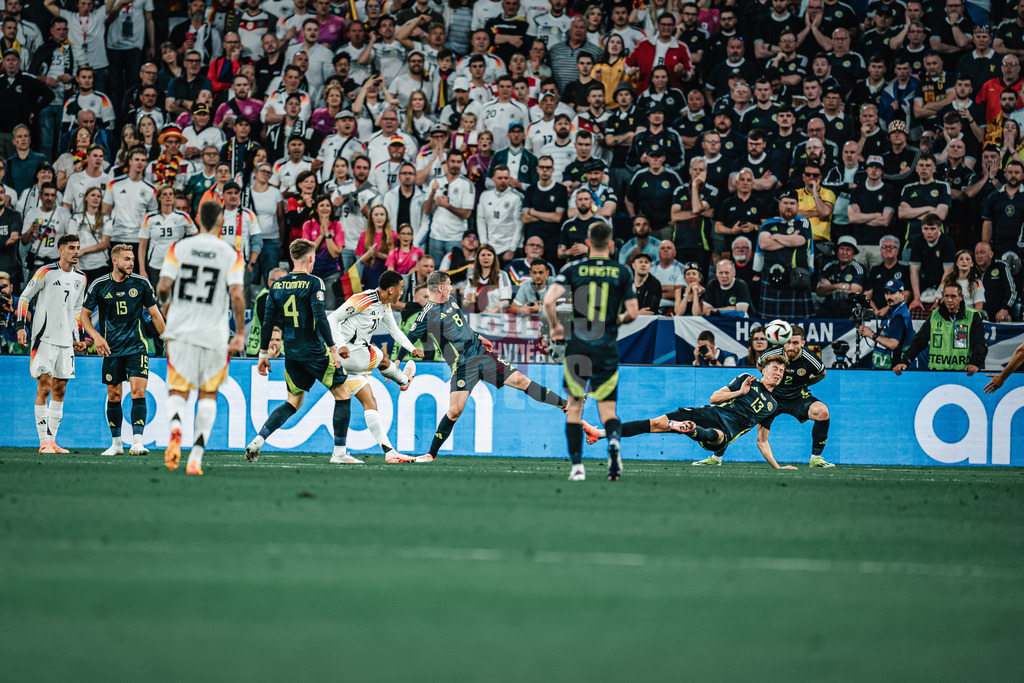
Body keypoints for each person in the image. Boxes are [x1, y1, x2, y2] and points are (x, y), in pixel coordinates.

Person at [407, 269, 568, 463]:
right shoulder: (428, 313)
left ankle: (565, 405)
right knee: (455, 411)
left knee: (522, 381)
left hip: (482, 355)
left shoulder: (451, 302)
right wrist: (398, 363)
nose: (451, 287)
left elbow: (463, 327)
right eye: (449, 284)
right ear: (441, 287)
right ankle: (431, 454)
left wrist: (479, 336)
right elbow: (410, 337)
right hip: (463, 364)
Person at [156, 201, 247, 475]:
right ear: (221, 221)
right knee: (208, 394)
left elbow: (162, 287)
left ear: (197, 218)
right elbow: (237, 296)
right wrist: (241, 332)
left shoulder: (179, 247)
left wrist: (166, 303)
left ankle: (174, 428)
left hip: (181, 331)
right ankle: (195, 457)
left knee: (178, 391)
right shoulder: (230, 253)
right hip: (214, 334)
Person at [582, 355, 796, 470]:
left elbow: (762, 441)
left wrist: (778, 467)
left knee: (716, 436)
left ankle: (690, 429)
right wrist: (740, 392)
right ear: (764, 370)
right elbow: (714, 398)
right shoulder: (746, 380)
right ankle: (598, 434)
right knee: (654, 423)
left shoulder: (772, 406)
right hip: (709, 413)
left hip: (728, 430)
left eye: (781, 370)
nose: (778, 373)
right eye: (774, 368)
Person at [543, 220, 637, 481]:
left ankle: (577, 468)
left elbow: (549, 300)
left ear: (587, 243)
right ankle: (614, 443)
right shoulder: (623, 271)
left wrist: (555, 328)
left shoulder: (573, 267)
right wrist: (615, 321)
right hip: (606, 347)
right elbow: (633, 312)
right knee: (608, 410)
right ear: (611, 244)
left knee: (575, 406)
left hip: (578, 347)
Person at [244, 238, 347, 462]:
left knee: (293, 401)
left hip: (291, 353)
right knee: (343, 394)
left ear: (291, 258)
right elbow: (320, 317)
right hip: (314, 351)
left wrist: (263, 355)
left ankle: (259, 439)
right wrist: (333, 349)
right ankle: (339, 452)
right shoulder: (314, 282)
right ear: (311, 258)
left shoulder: (277, 285)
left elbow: (268, 322)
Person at [321, 270, 424, 462]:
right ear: (391, 289)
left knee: (370, 401)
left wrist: (411, 348)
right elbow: (332, 318)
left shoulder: (384, 305)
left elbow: (394, 331)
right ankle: (403, 380)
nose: (402, 293)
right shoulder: (363, 299)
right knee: (383, 358)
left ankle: (389, 452)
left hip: (350, 363)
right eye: (401, 289)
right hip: (350, 353)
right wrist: (340, 346)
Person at [79, 244, 165, 456]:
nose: (131, 263)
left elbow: (155, 315)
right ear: (114, 261)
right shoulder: (100, 285)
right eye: (127, 259)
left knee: (138, 392)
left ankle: (137, 442)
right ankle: (116, 444)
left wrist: (167, 339)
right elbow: (83, 315)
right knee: (114, 395)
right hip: (111, 348)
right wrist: (96, 337)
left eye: (133, 259)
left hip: (136, 347)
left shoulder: (141, 283)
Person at [16, 233, 87, 453]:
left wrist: (80, 337)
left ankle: (52, 440)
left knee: (60, 390)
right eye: (72, 248)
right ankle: (42, 441)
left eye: (78, 248)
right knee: (44, 387)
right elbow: (24, 298)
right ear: (61, 250)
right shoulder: (45, 272)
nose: (76, 252)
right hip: (44, 339)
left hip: (66, 341)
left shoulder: (81, 278)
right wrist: (20, 326)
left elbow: (77, 311)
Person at [894, 282, 987, 374]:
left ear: (961, 297)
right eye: (946, 296)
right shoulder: (934, 315)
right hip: (936, 374)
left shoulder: (973, 316)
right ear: (942, 296)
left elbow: (979, 343)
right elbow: (919, 342)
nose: (949, 300)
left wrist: (975, 364)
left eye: (953, 296)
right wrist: (904, 361)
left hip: (963, 374)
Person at [758, 191, 815, 319]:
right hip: (773, 276)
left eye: (792, 203)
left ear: (797, 206)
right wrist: (790, 240)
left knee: (800, 323)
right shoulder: (769, 223)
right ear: (779, 205)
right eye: (785, 203)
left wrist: (776, 237)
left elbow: (800, 241)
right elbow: (764, 244)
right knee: (769, 320)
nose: (788, 206)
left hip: (797, 276)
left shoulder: (803, 222)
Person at [138, 184, 197, 286]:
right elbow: (142, 246)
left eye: (171, 194)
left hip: (176, 263)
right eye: (165, 194)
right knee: (158, 298)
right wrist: (142, 270)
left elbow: (197, 238)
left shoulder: (183, 217)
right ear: (159, 198)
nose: (168, 197)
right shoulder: (149, 218)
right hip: (155, 265)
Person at [423, 148, 475, 265]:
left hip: (456, 238)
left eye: (458, 162)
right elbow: (426, 211)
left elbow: (467, 214)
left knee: (454, 275)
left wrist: (447, 206)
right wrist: (432, 194)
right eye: (453, 161)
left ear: (462, 163)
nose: (455, 165)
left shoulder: (467, 184)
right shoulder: (435, 182)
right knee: (434, 275)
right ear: (446, 162)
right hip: (435, 237)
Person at [860, 279, 913, 370]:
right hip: (886, 367)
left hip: (894, 369)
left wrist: (871, 334)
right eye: (886, 293)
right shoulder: (892, 311)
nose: (888, 297)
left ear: (902, 294)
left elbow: (893, 344)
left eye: (892, 293)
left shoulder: (899, 316)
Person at [908, 214, 956, 310]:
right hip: (924, 283)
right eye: (926, 229)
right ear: (921, 229)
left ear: (939, 229)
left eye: (932, 229)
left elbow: (948, 272)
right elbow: (914, 270)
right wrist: (916, 298)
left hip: (941, 283)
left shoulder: (947, 243)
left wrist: (939, 298)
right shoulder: (917, 241)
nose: (929, 232)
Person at [974, 240, 1016, 322]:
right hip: (977, 310)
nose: (979, 256)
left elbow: (1011, 290)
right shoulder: (971, 269)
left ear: (991, 254)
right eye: (976, 253)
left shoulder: (1001, 267)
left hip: (998, 312)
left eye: (982, 252)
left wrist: (1005, 308)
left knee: (1006, 318)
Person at [942, 249, 985, 313]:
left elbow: (979, 306)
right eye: (961, 259)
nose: (964, 261)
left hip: (969, 315)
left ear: (972, 264)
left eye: (967, 259)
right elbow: (940, 299)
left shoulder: (977, 283)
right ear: (957, 263)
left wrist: (972, 320)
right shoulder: (947, 280)